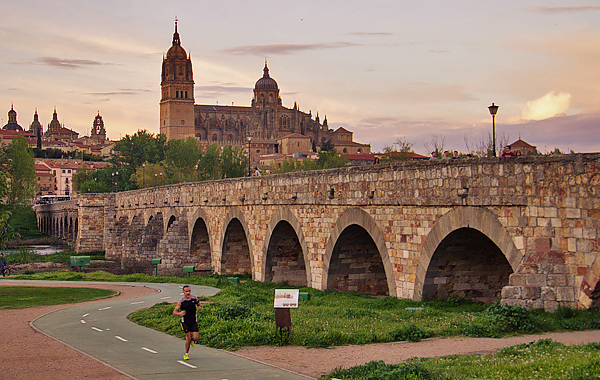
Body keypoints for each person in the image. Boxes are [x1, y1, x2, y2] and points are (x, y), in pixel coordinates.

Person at [173, 285, 202, 360]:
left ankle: (191, 341)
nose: (188, 293)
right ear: (183, 292)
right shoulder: (181, 301)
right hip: (185, 322)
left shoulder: (194, 298)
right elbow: (174, 312)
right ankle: (186, 354)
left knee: (196, 338)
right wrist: (180, 313)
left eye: (189, 291)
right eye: (186, 291)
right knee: (188, 338)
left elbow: (199, 304)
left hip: (193, 321)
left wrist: (199, 307)